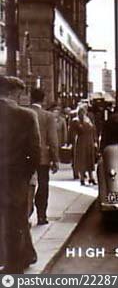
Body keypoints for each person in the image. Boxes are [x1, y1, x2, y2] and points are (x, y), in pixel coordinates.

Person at [0, 76, 41, 273]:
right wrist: (27, 173)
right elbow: (35, 151)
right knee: (16, 219)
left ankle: (22, 256)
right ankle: (14, 264)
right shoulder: (26, 116)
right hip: (16, 176)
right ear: (12, 92)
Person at [29, 88, 59, 226]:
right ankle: (41, 216)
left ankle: (27, 212)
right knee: (43, 185)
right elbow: (53, 140)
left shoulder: (24, 113)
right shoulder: (48, 116)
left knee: (27, 185)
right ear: (43, 99)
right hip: (43, 158)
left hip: (25, 158)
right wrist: (55, 160)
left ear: (31, 98)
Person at [72, 106, 97, 186]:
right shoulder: (76, 121)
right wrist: (84, 122)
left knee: (90, 160)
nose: (84, 113)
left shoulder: (89, 120)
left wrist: (95, 141)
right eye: (82, 111)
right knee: (82, 160)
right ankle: (82, 178)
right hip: (81, 142)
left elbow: (93, 130)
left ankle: (91, 178)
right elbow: (81, 130)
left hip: (89, 142)